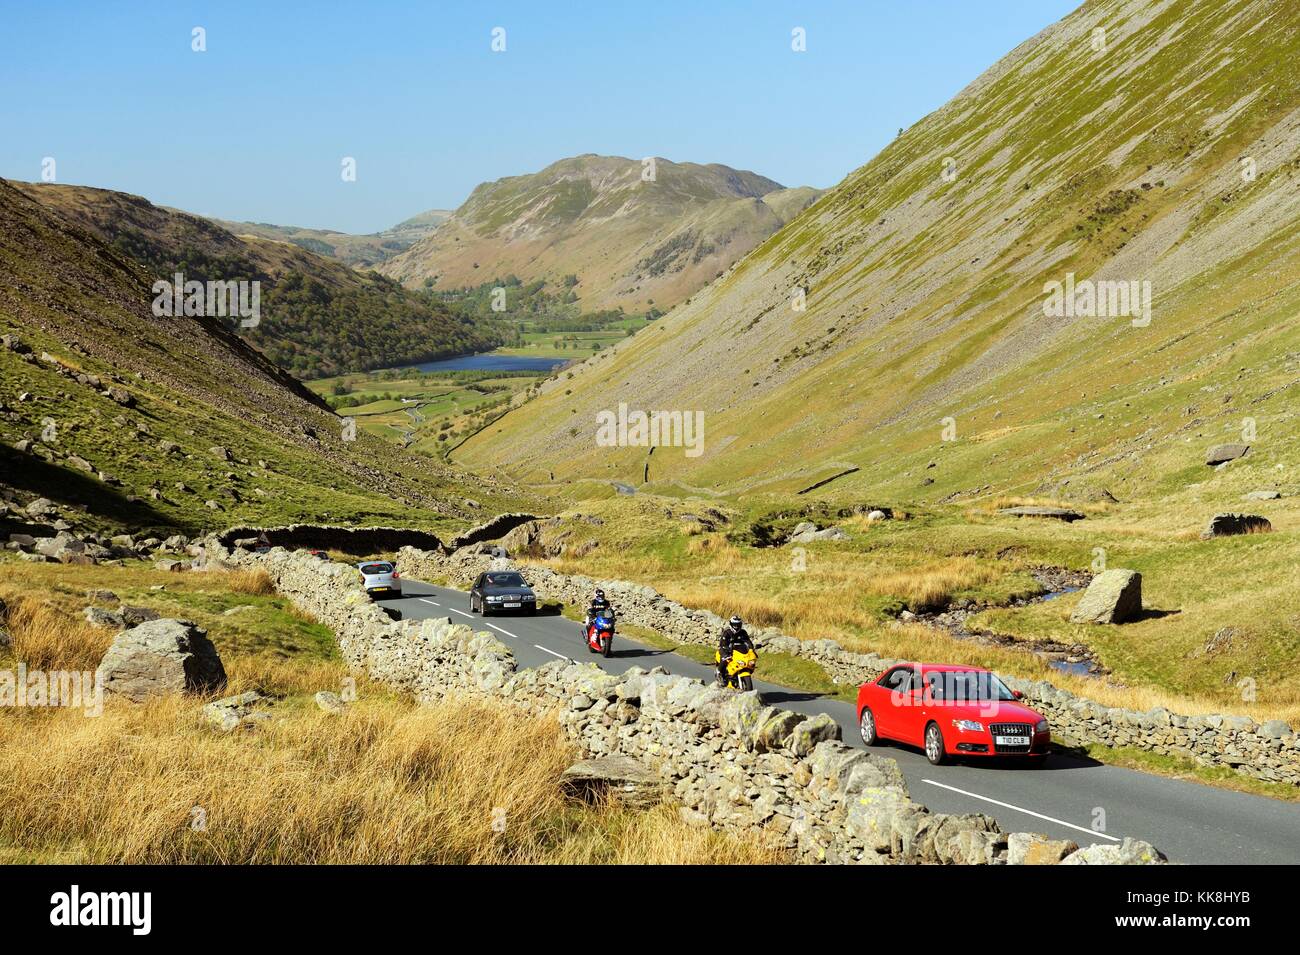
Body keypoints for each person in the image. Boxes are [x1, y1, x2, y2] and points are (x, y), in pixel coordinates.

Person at [716, 615, 754, 686]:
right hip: (726, 649)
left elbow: (748, 641)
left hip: (738, 650)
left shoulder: (743, 632)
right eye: (734, 625)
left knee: (748, 659)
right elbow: (722, 643)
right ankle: (719, 673)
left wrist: (751, 649)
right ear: (731, 624)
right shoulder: (727, 632)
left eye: (738, 624)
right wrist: (726, 648)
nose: (736, 626)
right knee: (725, 658)